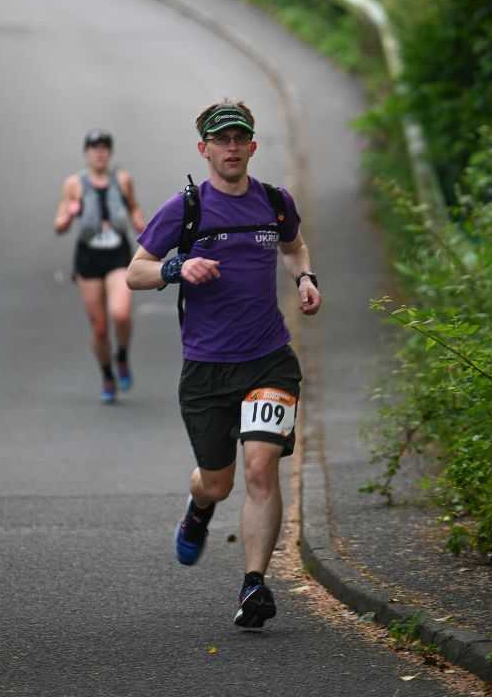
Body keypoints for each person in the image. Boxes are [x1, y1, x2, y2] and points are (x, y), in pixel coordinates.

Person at [126, 100, 322, 628]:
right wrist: (178, 265)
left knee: (261, 469)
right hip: (207, 369)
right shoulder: (186, 209)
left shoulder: (275, 202)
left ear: (252, 146)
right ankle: (199, 509)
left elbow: (295, 247)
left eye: (240, 138)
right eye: (222, 140)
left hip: (269, 361)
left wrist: (305, 279)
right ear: (205, 150)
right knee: (218, 482)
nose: (232, 148)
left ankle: (253, 585)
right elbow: (134, 273)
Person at [54, 129, 145, 403]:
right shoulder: (74, 184)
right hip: (88, 258)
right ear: (86, 152)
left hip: (118, 254)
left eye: (104, 147)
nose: (99, 152)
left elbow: (134, 209)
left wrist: (140, 222)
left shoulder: (123, 180)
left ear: (110, 152)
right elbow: (58, 225)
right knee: (100, 328)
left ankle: (122, 356)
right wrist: (69, 215)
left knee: (120, 314)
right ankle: (107, 375)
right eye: (94, 147)